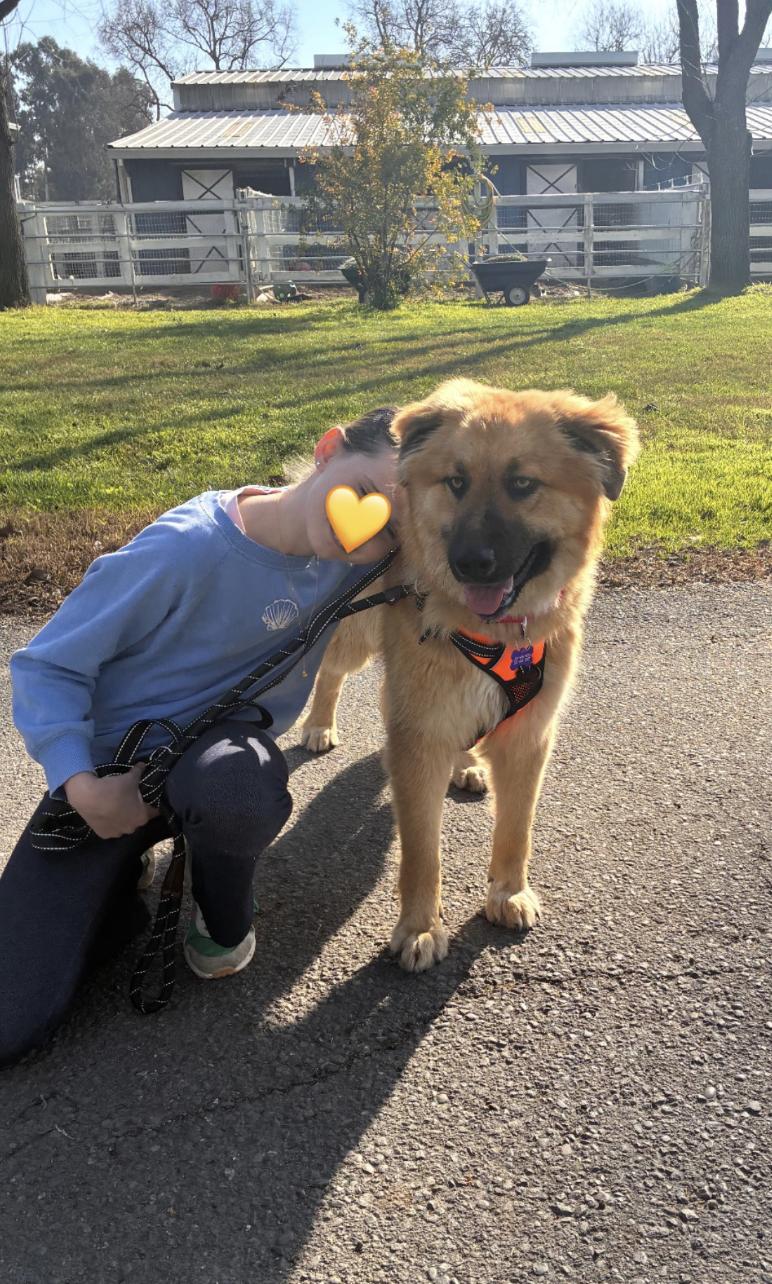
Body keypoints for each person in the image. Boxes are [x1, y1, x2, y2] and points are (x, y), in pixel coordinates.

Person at [1, 408, 400, 1066]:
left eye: (393, 529)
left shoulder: (361, 559)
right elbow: (49, 665)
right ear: (329, 448)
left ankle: (219, 907)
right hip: (112, 776)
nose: (364, 529)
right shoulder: (183, 548)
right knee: (10, 1022)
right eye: (364, 494)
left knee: (237, 793)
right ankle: (123, 877)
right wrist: (80, 784)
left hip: (220, 761)